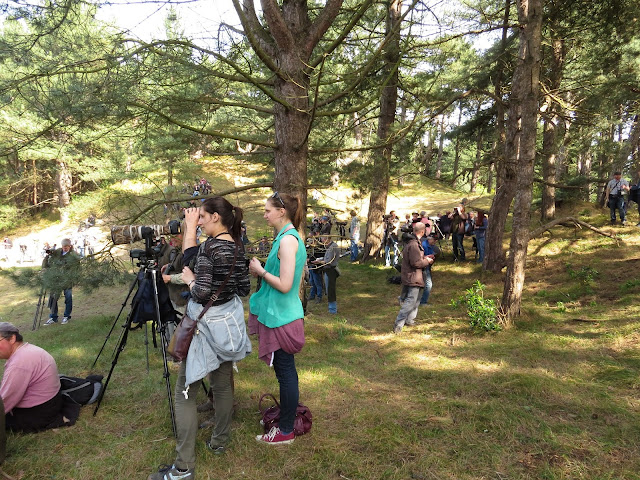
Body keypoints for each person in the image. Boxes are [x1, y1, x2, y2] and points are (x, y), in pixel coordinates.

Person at [149, 198, 252, 480]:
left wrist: (192, 279)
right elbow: (243, 287)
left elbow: (201, 291)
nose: (201, 221)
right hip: (227, 324)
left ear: (216, 217)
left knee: (185, 393)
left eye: (203, 217)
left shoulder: (209, 248)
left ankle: (183, 468)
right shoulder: (237, 245)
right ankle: (219, 441)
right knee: (221, 385)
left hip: (205, 326)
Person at [248, 191, 306, 445]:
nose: (264, 215)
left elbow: (284, 284)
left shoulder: (287, 241)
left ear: (281, 212)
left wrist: (260, 270)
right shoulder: (284, 238)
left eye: (267, 210)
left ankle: (285, 431)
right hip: (280, 315)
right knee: (285, 372)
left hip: (283, 317)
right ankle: (285, 420)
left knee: (285, 373)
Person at [0, 322, 79, 432]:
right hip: (53, 402)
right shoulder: (28, 349)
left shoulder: (19, 363)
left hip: (39, 413)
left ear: (12, 338)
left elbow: (4, 402)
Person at [394, 222, 434, 334]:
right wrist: (427, 261)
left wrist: (424, 257)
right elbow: (416, 263)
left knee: (416, 300)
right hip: (413, 276)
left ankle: (410, 320)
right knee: (410, 301)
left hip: (413, 276)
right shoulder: (414, 245)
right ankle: (398, 324)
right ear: (422, 231)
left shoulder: (413, 243)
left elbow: (415, 259)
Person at [43, 238, 80, 325]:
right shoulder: (58, 252)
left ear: (70, 246)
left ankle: (66, 316)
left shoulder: (73, 255)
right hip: (56, 279)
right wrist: (49, 254)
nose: (65, 248)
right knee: (53, 297)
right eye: (64, 246)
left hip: (67, 280)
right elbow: (49, 257)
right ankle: (53, 316)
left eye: (67, 246)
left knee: (68, 298)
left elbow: (76, 268)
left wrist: (73, 278)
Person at [313, 236, 340, 314]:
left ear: (326, 239)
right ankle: (331, 308)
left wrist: (319, 262)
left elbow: (329, 261)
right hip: (328, 270)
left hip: (331, 270)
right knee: (328, 289)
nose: (321, 241)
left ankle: (332, 309)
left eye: (322, 239)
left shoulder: (333, 247)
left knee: (330, 289)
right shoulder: (330, 247)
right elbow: (326, 258)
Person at [419, 234, 438, 306]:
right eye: (434, 240)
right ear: (429, 239)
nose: (435, 242)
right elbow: (418, 257)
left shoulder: (431, 245)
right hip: (423, 266)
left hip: (427, 265)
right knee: (428, 284)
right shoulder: (423, 246)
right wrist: (427, 257)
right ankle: (423, 302)